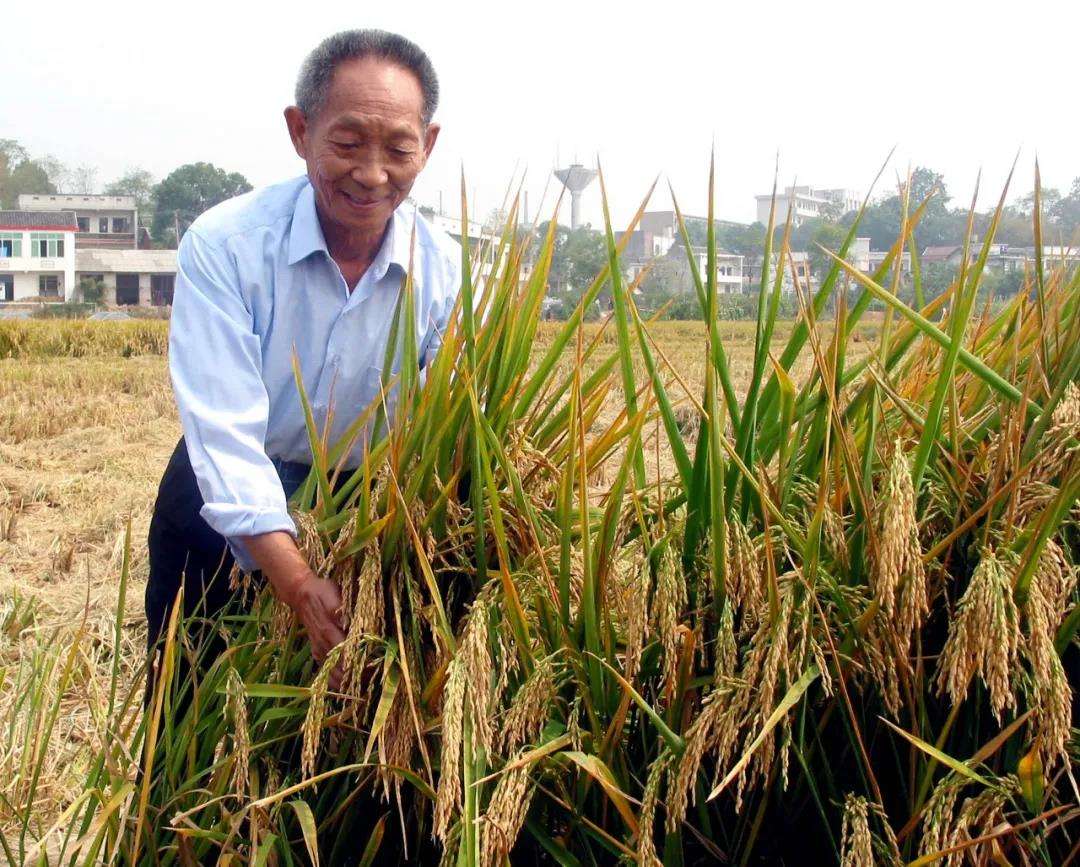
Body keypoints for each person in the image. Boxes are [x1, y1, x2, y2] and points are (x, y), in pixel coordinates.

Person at [145, 29, 460, 687]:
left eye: (399, 149)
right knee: (187, 710)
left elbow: (454, 433)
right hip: (222, 496)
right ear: (300, 131)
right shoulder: (228, 246)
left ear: (426, 146)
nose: (372, 173)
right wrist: (294, 577)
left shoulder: (448, 273)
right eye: (347, 144)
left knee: (334, 729)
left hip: (365, 509)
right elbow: (225, 436)